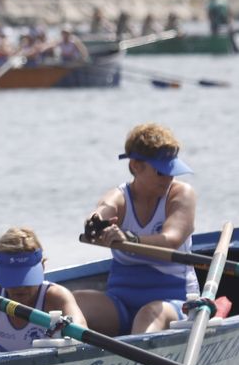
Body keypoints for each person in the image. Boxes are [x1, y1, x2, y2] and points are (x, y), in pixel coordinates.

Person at [74, 123, 198, 336]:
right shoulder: (119, 197)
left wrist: (130, 239)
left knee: (148, 314)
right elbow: (105, 208)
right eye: (161, 172)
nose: (169, 178)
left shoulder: (181, 194)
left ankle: (132, 363)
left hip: (172, 301)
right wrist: (96, 224)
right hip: (120, 302)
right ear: (135, 167)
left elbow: (172, 239)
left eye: (172, 171)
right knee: (72, 302)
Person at [0, 228, 86, 354]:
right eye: (12, 278)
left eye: (25, 277)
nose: (20, 286)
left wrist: (68, 327)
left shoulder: (56, 297)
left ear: (42, 267)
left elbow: (81, 330)